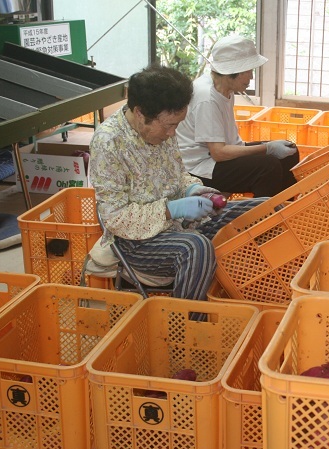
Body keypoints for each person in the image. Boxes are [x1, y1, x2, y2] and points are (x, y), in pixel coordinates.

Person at [89, 63, 264, 306]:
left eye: (178, 124)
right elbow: (116, 218)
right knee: (195, 247)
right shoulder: (109, 143)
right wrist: (173, 209)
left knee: (263, 209)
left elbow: (179, 175)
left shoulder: (160, 128)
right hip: (137, 242)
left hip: (178, 226)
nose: (173, 134)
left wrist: (194, 189)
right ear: (140, 113)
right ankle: (182, 332)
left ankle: (261, 294)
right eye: (169, 125)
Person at [176, 34, 300, 197]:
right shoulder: (206, 97)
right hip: (202, 167)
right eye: (248, 71)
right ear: (232, 71)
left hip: (218, 156)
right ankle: (262, 220)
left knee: (289, 151)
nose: (251, 77)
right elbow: (218, 153)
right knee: (268, 167)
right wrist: (267, 148)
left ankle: (285, 212)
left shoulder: (225, 88)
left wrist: (268, 148)